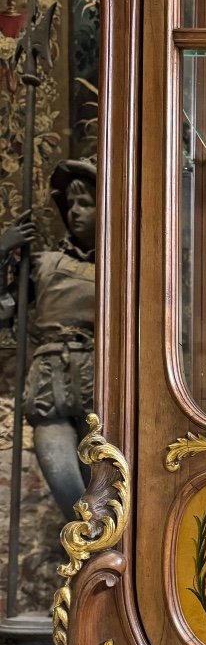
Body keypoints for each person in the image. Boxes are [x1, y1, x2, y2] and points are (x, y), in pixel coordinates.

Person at [0, 158, 96, 517]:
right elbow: (3, 311)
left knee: (101, 488)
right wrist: (1, 252)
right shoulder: (43, 263)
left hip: (97, 383)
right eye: (70, 205)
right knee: (69, 494)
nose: (75, 212)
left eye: (85, 203)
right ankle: (89, 550)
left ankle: (102, 557)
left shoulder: (118, 269)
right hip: (48, 390)